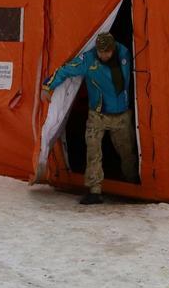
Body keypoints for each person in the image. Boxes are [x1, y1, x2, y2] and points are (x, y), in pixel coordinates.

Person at [42, 32, 135, 205]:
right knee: (93, 152)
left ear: (113, 49)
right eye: (100, 52)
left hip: (121, 115)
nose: (103, 55)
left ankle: (132, 183)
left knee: (127, 152)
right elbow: (66, 70)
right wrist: (48, 86)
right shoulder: (88, 60)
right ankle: (94, 190)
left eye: (107, 52)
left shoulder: (124, 53)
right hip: (97, 114)